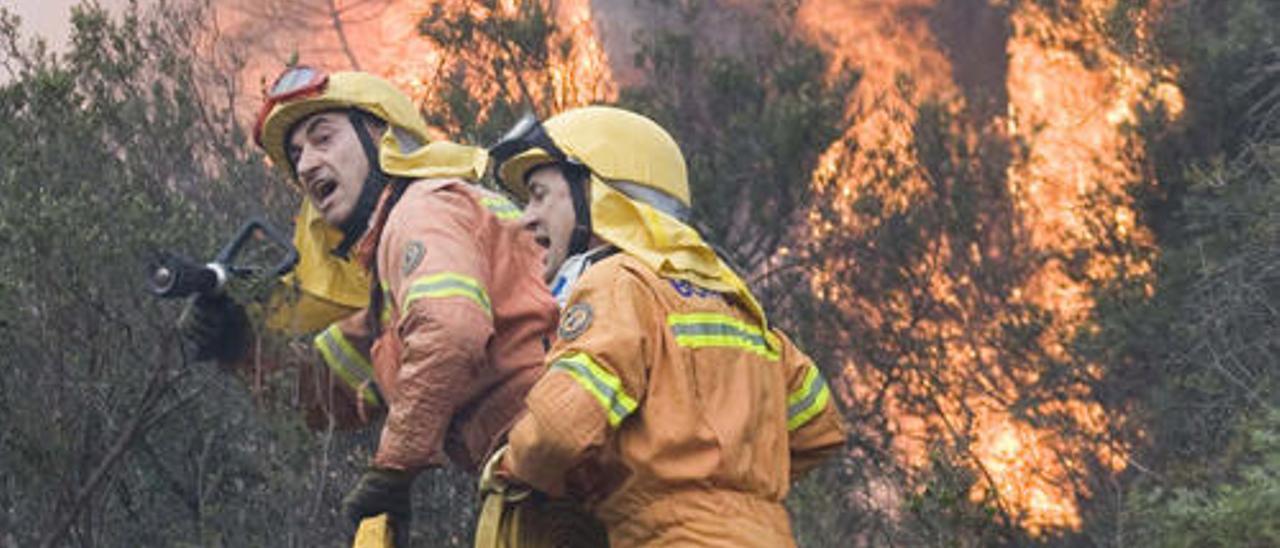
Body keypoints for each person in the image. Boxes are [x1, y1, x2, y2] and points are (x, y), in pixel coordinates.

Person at [181, 67, 558, 545]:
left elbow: (450, 331)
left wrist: (395, 467)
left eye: (323, 138)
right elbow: (328, 396)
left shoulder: (422, 210)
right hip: (542, 479)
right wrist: (239, 345)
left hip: (569, 475)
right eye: (296, 154)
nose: (306, 165)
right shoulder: (389, 292)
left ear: (383, 139)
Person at [483, 106, 848, 546]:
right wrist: (734, 483)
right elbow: (818, 423)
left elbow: (560, 430)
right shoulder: (735, 302)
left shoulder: (619, 282)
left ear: (601, 194)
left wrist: (511, 465)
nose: (526, 217)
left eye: (540, 194)